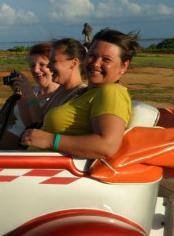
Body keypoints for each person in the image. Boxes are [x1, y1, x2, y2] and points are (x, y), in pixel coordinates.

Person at [21, 29, 141, 159]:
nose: (95, 64)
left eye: (106, 59)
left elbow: (107, 146)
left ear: (124, 66)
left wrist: (51, 140)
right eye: (92, 56)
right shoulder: (88, 92)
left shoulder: (112, 92)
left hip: (51, 168)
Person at [0, 43, 60, 149]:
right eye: (32, 65)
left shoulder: (57, 96)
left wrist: (26, 96)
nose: (35, 70)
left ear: (52, 66)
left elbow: (33, 126)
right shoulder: (33, 91)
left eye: (41, 65)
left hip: (24, 143)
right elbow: (10, 115)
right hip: (10, 138)